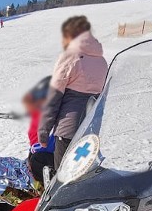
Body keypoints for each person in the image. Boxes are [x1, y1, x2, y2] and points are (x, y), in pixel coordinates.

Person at [38, 16, 108, 169]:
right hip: (90, 129)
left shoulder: (70, 57)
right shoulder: (102, 61)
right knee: (82, 171)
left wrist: (43, 131)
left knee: (63, 175)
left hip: (68, 130)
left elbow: (53, 97)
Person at [24, 75, 55, 183]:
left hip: (46, 153)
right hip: (39, 150)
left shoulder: (51, 112)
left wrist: (38, 148)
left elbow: (54, 135)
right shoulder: (38, 112)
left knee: (37, 159)